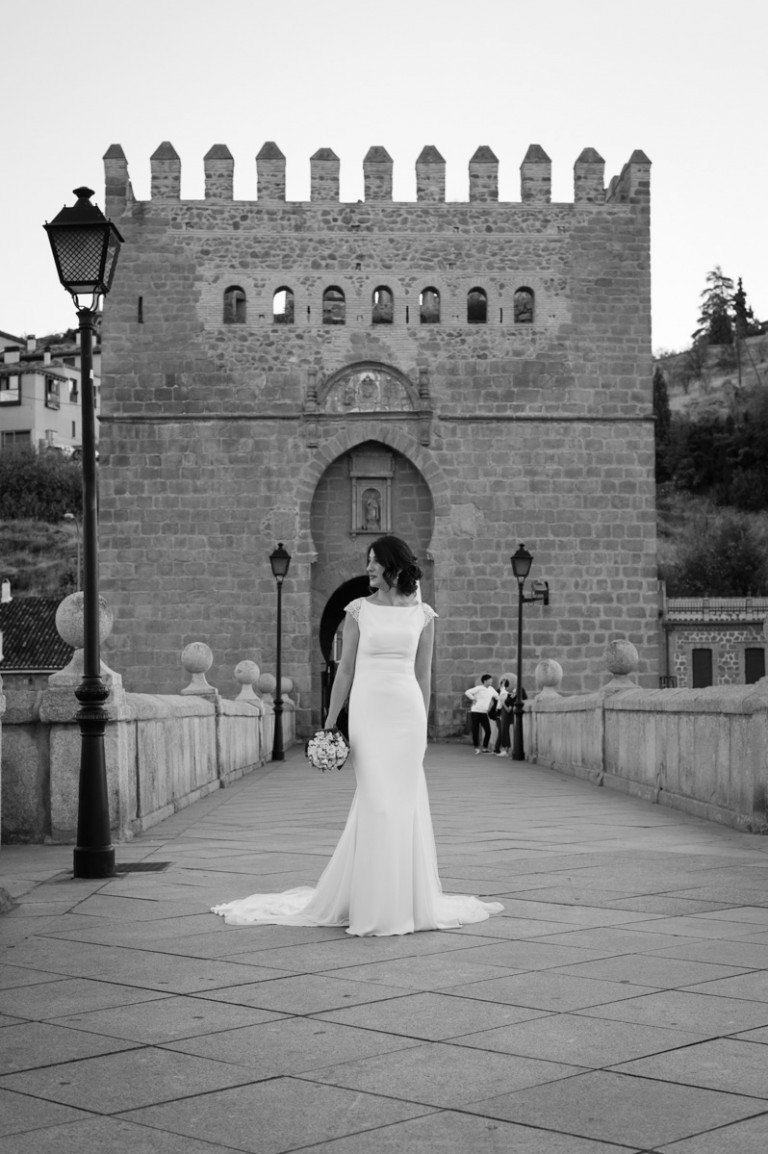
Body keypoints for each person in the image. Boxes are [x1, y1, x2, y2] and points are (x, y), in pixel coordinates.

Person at [212, 534, 503, 936]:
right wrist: (330, 720)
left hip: (407, 715)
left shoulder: (424, 616)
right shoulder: (358, 611)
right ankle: (373, 903)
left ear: (393, 565)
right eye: (367, 560)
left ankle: (401, 902)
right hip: (368, 713)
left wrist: (422, 726)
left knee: (402, 806)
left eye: (374, 561)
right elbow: (345, 669)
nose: (368, 567)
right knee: (377, 802)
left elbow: (423, 674)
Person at [465, 673, 498, 754]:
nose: (491, 681)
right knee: (475, 730)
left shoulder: (491, 689)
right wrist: (473, 699)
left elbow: (498, 696)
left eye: (491, 680)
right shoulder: (479, 688)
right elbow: (467, 692)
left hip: (484, 712)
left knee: (488, 731)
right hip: (475, 712)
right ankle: (476, 748)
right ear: (485, 681)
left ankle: (485, 748)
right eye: (490, 680)